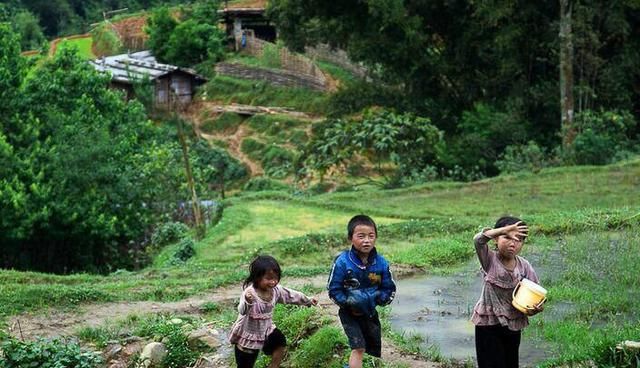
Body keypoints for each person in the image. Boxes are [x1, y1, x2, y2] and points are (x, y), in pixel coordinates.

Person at [471, 216, 544, 368]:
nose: (512, 243)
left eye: (518, 240)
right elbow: (478, 240)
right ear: (496, 238)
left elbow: (537, 293)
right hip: (488, 323)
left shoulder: (524, 266)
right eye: (507, 237)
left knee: (511, 363)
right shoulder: (490, 260)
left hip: (513, 322)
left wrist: (535, 308)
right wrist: (504, 229)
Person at [328, 215, 397, 368]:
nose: (367, 240)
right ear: (350, 238)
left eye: (371, 236)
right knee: (358, 347)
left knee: (372, 350)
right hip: (349, 314)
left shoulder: (381, 263)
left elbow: (389, 288)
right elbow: (333, 289)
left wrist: (378, 299)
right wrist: (348, 303)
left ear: (376, 238)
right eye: (361, 236)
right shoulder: (343, 262)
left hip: (370, 313)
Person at [229, 255, 317, 368]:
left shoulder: (276, 290)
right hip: (249, 334)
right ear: (257, 277)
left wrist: (308, 300)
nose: (273, 282)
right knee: (246, 364)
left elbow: (291, 295)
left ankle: (274, 366)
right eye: (269, 278)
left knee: (280, 342)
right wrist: (247, 301)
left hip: (266, 329)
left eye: (276, 278)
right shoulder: (250, 293)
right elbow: (242, 310)